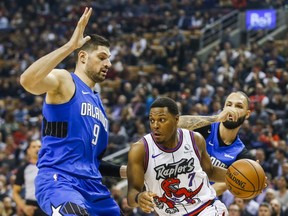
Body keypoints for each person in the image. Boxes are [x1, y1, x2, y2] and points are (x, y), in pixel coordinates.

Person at [20, 7, 122, 215]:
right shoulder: (65, 81)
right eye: (102, 57)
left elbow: (93, 161)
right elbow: (28, 81)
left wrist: (127, 172)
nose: (108, 63)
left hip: (94, 189)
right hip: (61, 181)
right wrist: (69, 46)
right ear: (83, 57)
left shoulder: (99, 106)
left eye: (109, 58)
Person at [127, 97, 228, 215]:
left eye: (162, 120)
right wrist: (138, 197)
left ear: (176, 120)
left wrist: (235, 176)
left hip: (206, 208)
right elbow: (131, 194)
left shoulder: (195, 139)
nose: (155, 125)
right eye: (152, 120)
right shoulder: (139, 150)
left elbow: (210, 172)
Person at [178, 91, 254, 196]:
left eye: (239, 106)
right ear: (223, 109)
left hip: (204, 200)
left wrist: (253, 177)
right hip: (176, 187)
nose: (232, 109)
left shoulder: (241, 153)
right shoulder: (206, 127)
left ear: (247, 114)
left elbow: (227, 183)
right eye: (229, 105)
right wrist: (216, 118)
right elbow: (175, 124)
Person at [13, 139, 46, 216]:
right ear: (28, 151)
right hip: (32, 206)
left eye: (39, 146)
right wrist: (24, 207)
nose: (37, 149)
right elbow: (15, 192)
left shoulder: (51, 167)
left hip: (49, 204)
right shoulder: (23, 168)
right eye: (33, 147)